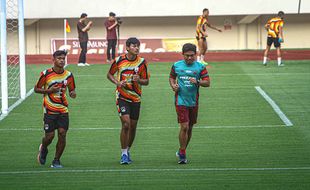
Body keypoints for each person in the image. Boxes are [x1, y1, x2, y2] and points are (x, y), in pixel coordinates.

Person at [107, 37, 149, 165]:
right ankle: (123, 153)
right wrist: (118, 82)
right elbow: (109, 74)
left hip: (136, 98)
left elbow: (146, 81)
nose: (136, 48)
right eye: (134, 46)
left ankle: (128, 150)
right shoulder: (119, 60)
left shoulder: (142, 62)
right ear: (127, 48)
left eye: (138, 46)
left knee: (133, 126)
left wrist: (139, 80)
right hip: (122, 96)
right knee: (126, 124)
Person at [169, 43, 210, 164]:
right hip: (180, 100)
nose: (189, 58)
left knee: (190, 127)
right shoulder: (176, 65)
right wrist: (173, 85)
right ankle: (182, 154)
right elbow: (171, 77)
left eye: (192, 55)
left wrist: (197, 81)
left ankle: (182, 149)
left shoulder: (200, 67)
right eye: (187, 56)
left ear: (196, 54)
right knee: (185, 126)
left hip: (193, 101)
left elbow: (207, 83)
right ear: (182, 55)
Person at [35, 50, 76, 168]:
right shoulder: (46, 74)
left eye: (63, 58)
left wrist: (73, 94)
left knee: (62, 134)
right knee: (50, 136)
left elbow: (72, 90)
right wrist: (49, 91)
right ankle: (44, 148)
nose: (62, 60)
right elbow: (36, 89)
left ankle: (56, 160)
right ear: (53, 60)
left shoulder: (69, 75)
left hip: (63, 109)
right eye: (59, 58)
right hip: (49, 110)